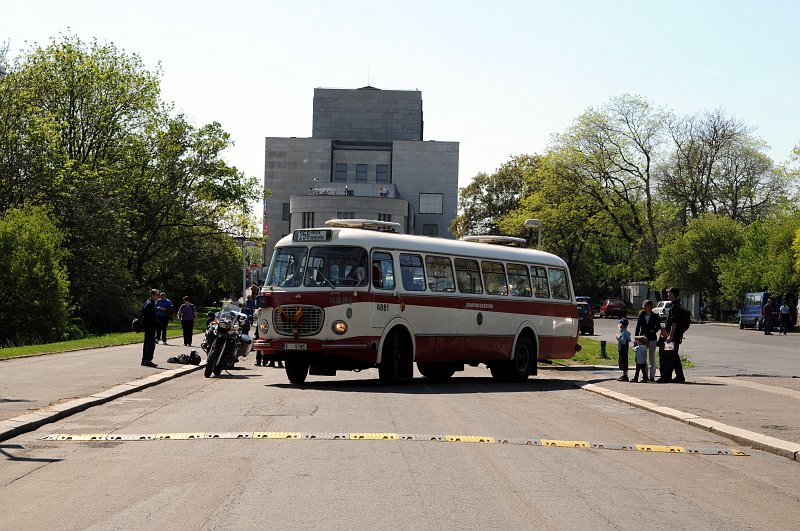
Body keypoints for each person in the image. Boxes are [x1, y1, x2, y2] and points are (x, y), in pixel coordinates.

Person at [658, 287, 686, 383]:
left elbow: (674, 322)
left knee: (669, 355)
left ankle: (666, 377)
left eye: (669, 293)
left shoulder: (675, 307)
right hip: (673, 335)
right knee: (674, 356)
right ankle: (680, 376)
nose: (668, 294)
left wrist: (670, 335)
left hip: (673, 336)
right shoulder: (674, 305)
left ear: (673, 294)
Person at [635, 300, 661, 381]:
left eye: (647, 305)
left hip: (652, 338)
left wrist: (654, 330)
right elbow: (638, 327)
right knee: (643, 357)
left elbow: (658, 326)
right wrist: (636, 338)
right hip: (643, 338)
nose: (645, 307)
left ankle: (652, 376)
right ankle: (645, 376)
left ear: (650, 306)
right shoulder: (641, 315)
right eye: (644, 305)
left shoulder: (655, 315)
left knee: (652, 357)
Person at [140, 288, 159, 367]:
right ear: (152, 295)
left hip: (148, 326)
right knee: (150, 344)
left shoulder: (148, 302)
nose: (158, 297)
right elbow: (147, 317)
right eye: (157, 295)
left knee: (147, 344)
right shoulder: (150, 304)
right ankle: (147, 360)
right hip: (150, 327)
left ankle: (144, 360)